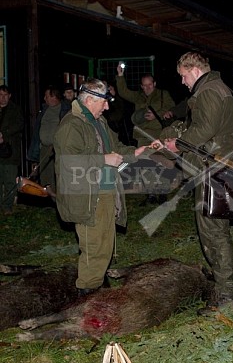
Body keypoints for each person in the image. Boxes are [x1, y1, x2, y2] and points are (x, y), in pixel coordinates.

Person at [152, 51, 233, 315]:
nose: (182, 82)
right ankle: (223, 288)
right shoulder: (214, 88)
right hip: (213, 167)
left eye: (182, 75)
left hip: (213, 170)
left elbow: (204, 130)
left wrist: (177, 145)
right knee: (213, 230)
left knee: (215, 233)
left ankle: (227, 297)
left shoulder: (210, 91)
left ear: (193, 70)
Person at [53, 78, 148, 296]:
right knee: (93, 246)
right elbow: (69, 162)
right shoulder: (71, 125)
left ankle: (97, 283)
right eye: (103, 102)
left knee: (105, 243)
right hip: (87, 194)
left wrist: (135, 153)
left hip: (105, 190)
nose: (107, 107)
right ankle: (86, 293)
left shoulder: (98, 122)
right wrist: (103, 160)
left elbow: (115, 148)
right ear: (89, 100)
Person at [116, 69, 176, 204]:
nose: (148, 87)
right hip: (143, 136)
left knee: (161, 163)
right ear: (141, 86)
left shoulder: (162, 94)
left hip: (160, 135)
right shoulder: (139, 96)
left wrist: (157, 114)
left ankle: (162, 192)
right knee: (145, 164)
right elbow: (123, 92)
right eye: (145, 85)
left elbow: (171, 108)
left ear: (154, 83)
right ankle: (151, 193)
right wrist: (120, 76)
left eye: (150, 84)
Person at [27, 85, 71, 196]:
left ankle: (60, 201)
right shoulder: (44, 110)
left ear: (53, 97)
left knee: (58, 176)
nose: (44, 98)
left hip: (57, 149)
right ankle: (53, 200)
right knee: (46, 178)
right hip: (44, 148)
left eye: (46, 96)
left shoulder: (65, 109)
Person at [0, 85, 24, 214]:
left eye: (5, 95)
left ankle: (7, 205)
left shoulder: (15, 110)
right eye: (0, 95)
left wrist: (4, 134)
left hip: (10, 151)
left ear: (9, 96)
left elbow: (19, 125)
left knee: (9, 179)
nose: (3, 98)